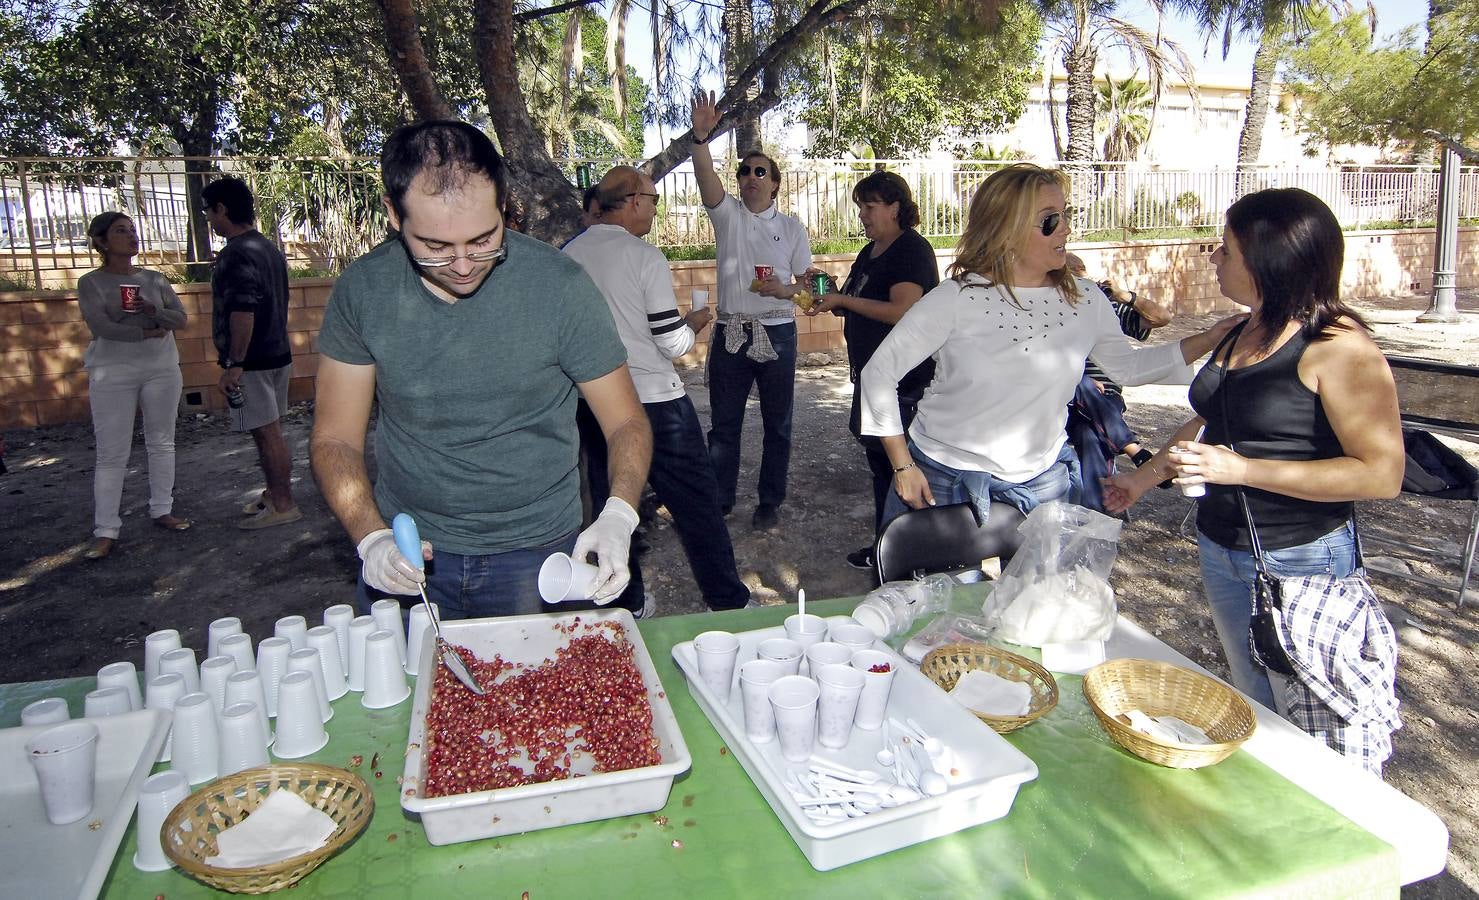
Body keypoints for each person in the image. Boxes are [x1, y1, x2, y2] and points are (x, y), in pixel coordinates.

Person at [1104, 188, 1404, 773]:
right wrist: (1141, 480)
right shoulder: (1244, 329)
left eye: (1227, 248)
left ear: (1268, 258)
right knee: (1256, 701)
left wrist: (1240, 469)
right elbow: (1215, 418)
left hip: (1303, 560)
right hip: (1224, 547)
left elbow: (1381, 473)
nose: (1215, 258)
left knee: (1319, 720)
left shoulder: (1340, 347)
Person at [310, 120, 652, 620]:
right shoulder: (364, 292)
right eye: (436, 247)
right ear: (392, 214)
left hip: (537, 555)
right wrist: (371, 537)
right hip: (408, 546)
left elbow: (626, 422)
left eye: (483, 239)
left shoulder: (560, 289)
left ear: (504, 206)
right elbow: (335, 440)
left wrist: (620, 513)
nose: (465, 264)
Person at [860, 163, 1239, 534]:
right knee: (941, 597)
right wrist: (903, 466)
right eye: (1049, 220)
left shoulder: (1085, 299)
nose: (1066, 228)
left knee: (1036, 596)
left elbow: (1129, 368)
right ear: (1004, 229)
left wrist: (1209, 338)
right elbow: (879, 372)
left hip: (1044, 482)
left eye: (1065, 214)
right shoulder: (955, 299)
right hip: (943, 476)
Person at [565, 166, 752, 614]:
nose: (653, 207)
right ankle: (725, 599)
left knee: (613, 501)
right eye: (652, 198)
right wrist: (696, 324)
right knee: (697, 503)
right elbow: (672, 342)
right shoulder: (643, 257)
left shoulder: (567, 256)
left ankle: (625, 603)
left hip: (590, 403)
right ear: (633, 201)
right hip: (654, 402)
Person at [689, 91, 813, 531]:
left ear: (775, 182)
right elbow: (706, 181)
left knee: (777, 423)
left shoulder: (792, 227)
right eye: (744, 171)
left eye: (760, 171)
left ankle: (769, 501)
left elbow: (810, 289)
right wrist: (701, 138)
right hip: (731, 333)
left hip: (778, 332)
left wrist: (786, 291)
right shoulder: (729, 217)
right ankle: (720, 499)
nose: (750, 177)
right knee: (724, 424)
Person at [807, 170, 939, 569]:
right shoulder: (872, 250)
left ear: (895, 207)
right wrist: (831, 292)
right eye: (860, 207)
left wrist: (843, 303)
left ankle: (913, 552)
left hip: (906, 383)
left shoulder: (910, 250)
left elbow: (903, 311)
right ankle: (890, 545)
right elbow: (856, 297)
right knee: (882, 468)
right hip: (874, 380)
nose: (862, 215)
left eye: (870, 206)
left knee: (903, 468)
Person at [76, 212, 190, 559]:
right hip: (113, 371)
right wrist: (146, 331)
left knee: (161, 442)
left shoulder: (155, 279)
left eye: (132, 230)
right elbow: (102, 326)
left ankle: (162, 509)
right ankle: (106, 529)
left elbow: (180, 319)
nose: (130, 236)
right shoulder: (92, 282)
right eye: (120, 231)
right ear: (102, 241)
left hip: (160, 368)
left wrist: (155, 311)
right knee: (112, 452)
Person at [203, 176, 301, 530]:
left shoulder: (236, 253)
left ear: (222, 209)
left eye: (209, 212)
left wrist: (234, 364)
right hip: (276, 353)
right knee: (269, 431)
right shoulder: (266, 247)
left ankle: (284, 504)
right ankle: (274, 494)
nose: (209, 220)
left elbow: (243, 312)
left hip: (253, 362)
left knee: (266, 433)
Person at [1061, 252, 1174, 513]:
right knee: (1080, 384)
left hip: (1104, 402)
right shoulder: (1048, 311)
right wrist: (1080, 377)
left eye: (1080, 279)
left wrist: (1126, 296)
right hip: (1064, 396)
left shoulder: (1105, 307)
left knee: (1089, 434)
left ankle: (1096, 514)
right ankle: (1134, 450)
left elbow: (1162, 318)